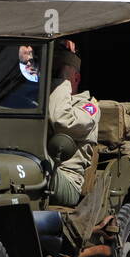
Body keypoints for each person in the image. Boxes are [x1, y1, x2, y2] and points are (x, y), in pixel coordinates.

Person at [47, 47, 100, 207]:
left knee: (33, 168)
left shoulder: (90, 107)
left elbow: (62, 120)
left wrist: (62, 81)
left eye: (57, 73)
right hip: (47, 172)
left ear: (76, 78)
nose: (52, 79)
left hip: (67, 181)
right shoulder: (43, 103)